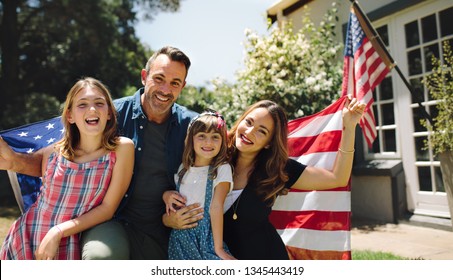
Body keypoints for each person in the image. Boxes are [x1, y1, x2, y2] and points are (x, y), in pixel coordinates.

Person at [0, 46, 202, 259]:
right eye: (159, 79)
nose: (165, 89)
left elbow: (216, 157)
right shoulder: (107, 113)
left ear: (183, 87)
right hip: (110, 220)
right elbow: (61, 155)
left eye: (175, 83)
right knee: (101, 258)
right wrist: (14, 162)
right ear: (144, 76)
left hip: (160, 223)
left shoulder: (191, 127)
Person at [0, 77, 135, 260]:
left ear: (109, 113)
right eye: (82, 105)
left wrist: (58, 231)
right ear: (70, 116)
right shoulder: (55, 151)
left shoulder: (121, 149)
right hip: (27, 235)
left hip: (67, 236)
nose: (92, 109)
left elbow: (107, 208)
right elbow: (25, 169)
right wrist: (11, 160)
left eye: (99, 103)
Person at [222, 98, 365, 260]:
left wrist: (349, 127)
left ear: (269, 143)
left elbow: (338, 178)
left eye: (262, 131)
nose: (249, 132)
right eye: (248, 122)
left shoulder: (277, 170)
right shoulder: (214, 155)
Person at [163, 111, 235, 260]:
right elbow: (175, 196)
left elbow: (216, 207)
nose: (208, 142)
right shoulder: (183, 169)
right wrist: (166, 196)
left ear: (222, 141)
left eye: (215, 137)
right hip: (179, 238)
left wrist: (219, 249)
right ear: (191, 139)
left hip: (205, 239)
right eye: (201, 136)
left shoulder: (221, 168)